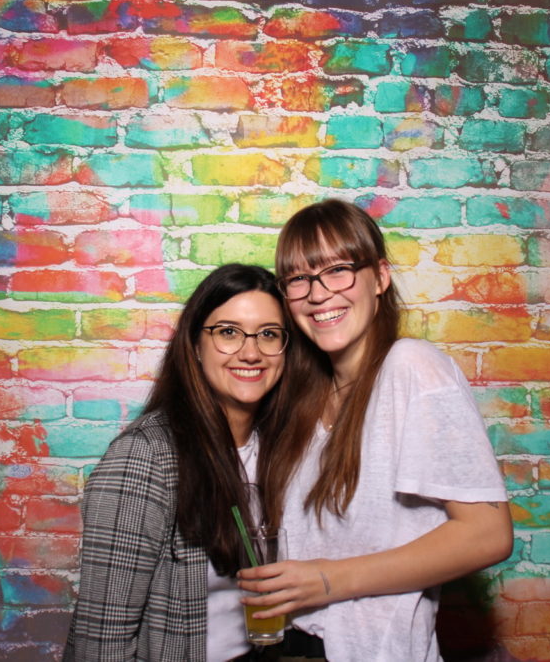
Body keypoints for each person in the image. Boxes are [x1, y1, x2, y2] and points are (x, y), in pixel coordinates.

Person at [241, 199, 513, 661]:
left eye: (338, 271)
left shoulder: (411, 366)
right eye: (299, 279)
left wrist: (329, 579)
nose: (318, 294)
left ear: (380, 277)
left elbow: (488, 533)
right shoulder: (303, 401)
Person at [64, 264, 306, 661]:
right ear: (195, 345)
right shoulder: (145, 458)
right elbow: (102, 643)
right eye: (228, 332)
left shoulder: (284, 450)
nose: (251, 352)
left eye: (268, 334)